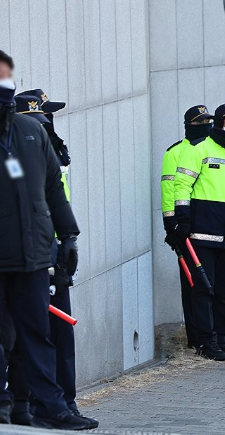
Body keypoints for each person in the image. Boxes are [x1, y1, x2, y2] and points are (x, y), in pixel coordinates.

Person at [0, 51, 93, 430]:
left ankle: (50, 407)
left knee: (38, 335)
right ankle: (7, 403)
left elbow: (54, 189)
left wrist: (68, 236)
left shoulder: (31, 133)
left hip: (35, 255)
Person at [173, 103, 225, 361]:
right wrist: (183, 219)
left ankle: (222, 337)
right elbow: (182, 185)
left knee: (224, 289)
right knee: (204, 288)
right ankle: (206, 341)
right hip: (202, 233)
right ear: (220, 122)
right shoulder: (198, 150)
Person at [161, 105, 214, 349]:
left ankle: (215, 333)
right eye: (200, 122)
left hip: (209, 225)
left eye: (208, 121)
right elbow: (169, 190)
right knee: (193, 283)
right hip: (185, 227)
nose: (206, 126)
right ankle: (196, 338)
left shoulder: (213, 149)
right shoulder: (175, 152)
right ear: (189, 125)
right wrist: (172, 225)